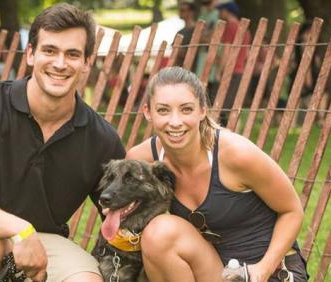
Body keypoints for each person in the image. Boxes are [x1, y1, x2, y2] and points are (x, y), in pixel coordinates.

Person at [0, 4, 125, 282]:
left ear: (87, 62)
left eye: (72, 54)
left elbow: (125, 216)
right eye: (49, 50)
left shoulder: (102, 139)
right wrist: (19, 230)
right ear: (30, 54)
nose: (60, 63)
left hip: (42, 240)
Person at [127, 67, 308, 281]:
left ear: (202, 110)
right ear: (148, 112)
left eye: (186, 109)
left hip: (270, 271)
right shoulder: (142, 161)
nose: (175, 122)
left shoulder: (236, 155)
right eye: (163, 110)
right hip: (218, 272)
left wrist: (262, 269)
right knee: (158, 233)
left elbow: (292, 211)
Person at [215, 1, 251, 126]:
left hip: (231, 71)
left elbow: (227, 50)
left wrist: (219, 71)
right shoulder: (244, 28)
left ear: (227, 11)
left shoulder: (230, 26)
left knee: (223, 108)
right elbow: (246, 53)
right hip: (240, 70)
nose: (219, 13)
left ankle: (227, 136)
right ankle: (237, 135)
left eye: (221, 10)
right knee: (234, 107)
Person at [175, 1, 197, 67]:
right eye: (180, 10)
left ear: (191, 12)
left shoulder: (196, 30)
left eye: (183, 10)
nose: (180, 12)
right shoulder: (180, 31)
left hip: (193, 68)